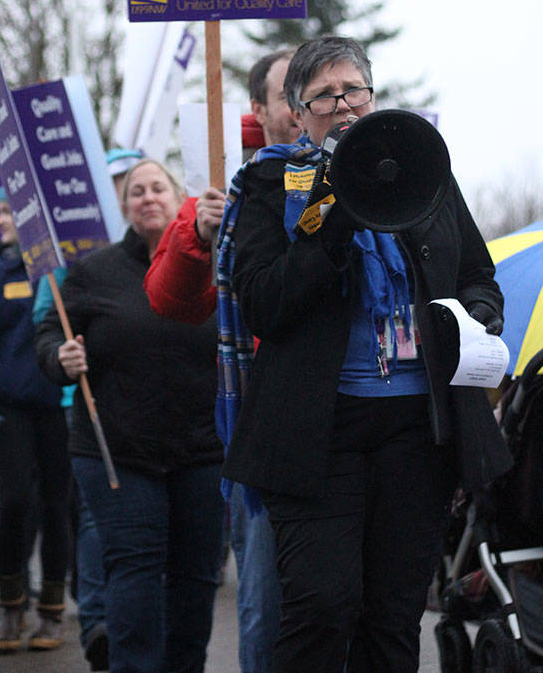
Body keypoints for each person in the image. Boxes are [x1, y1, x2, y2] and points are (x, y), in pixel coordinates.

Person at [218, 34, 513, 673]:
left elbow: (477, 273)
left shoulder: (421, 171)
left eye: (354, 89)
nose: (344, 104)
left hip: (416, 431)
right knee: (323, 605)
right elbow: (264, 302)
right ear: (296, 113)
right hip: (317, 435)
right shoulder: (271, 184)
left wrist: (478, 316)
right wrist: (337, 217)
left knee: (393, 614)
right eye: (325, 95)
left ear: (373, 97)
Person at [36, 159, 225, 673]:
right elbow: (49, 334)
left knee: (196, 578)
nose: (148, 198)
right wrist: (60, 356)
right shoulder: (92, 271)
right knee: (135, 573)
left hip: (203, 451)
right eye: (136, 191)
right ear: (123, 206)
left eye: (158, 188)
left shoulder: (217, 260)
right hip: (117, 452)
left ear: (178, 196)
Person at [144, 49, 299, 673]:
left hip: (354, 422)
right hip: (264, 431)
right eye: (291, 92)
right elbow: (169, 300)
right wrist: (199, 238)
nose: (307, 105)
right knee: (265, 601)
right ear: (258, 110)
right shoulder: (224, 180)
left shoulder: (367, 172)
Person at [0, 190, 71, 652]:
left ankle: (50, 611)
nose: (1, 219)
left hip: (58, 404)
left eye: (8, 211)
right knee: (10, 504)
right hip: (7, 409)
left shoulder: (62, 267)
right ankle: (10, 606)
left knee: (56, 508)